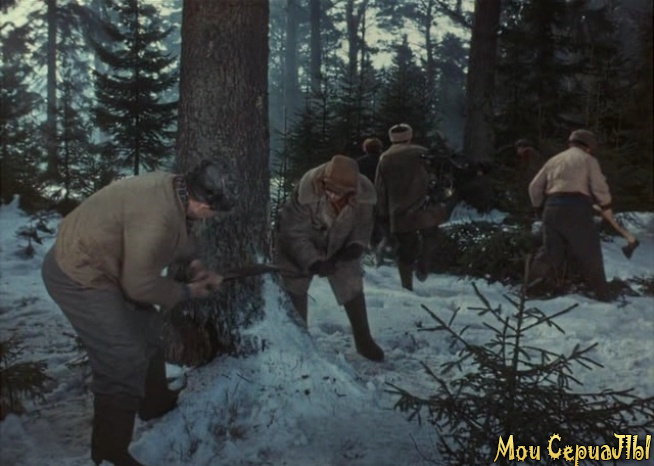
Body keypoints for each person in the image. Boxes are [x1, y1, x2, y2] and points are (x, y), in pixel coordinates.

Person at [41, 160, 234, 465]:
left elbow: (178, 234)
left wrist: (195, 265)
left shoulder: (176, 189)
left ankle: (154, 402)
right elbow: (138, 286)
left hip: (108, 265)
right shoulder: (158, 217)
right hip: (79, 273)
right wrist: (188, 292)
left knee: (149, 327)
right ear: (201, 203)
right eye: (212, 212)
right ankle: (109, 453)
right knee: (122, 357)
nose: (212, 217)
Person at [275, 155, 384, 362]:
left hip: (340, 244)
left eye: (338, 192)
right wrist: (313, 261)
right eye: (329, 188)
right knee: (294, 283)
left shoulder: (364, 195)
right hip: (301, 245)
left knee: (351, 282)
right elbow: (292, 232)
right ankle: (300, 341)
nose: (332, 194)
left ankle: (364, 339)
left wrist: (355, 246)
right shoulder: (306, 191)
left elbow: (362, 225)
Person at [527, 129, 612, 301]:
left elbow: (534, 187)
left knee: (550, 251)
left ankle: (528, 287)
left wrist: (538, 208)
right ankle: (602, 294)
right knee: (590, 252)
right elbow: (599, 186)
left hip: (551, 208)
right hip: (576, 208)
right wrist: (606, 205)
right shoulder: (588, 160)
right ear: (588, 146)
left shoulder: (554, 160)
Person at [375, 123, 448, 291]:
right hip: (425, 206)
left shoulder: (385, 158)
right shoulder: (422, 152)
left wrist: (382, 213)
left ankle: (407, 286)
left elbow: (380, 188)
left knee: (405, 249)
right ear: (410, 136)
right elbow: (437, 177)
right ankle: (423, 265)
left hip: (399, 210)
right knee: (431, 236)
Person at [356, 137, 384, 248]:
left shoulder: (359, 162)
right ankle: (379, 246)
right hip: (381, 195)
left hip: (364, 196)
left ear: (365, 148)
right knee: (380, 223)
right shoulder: (384, 161)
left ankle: (367, 246)